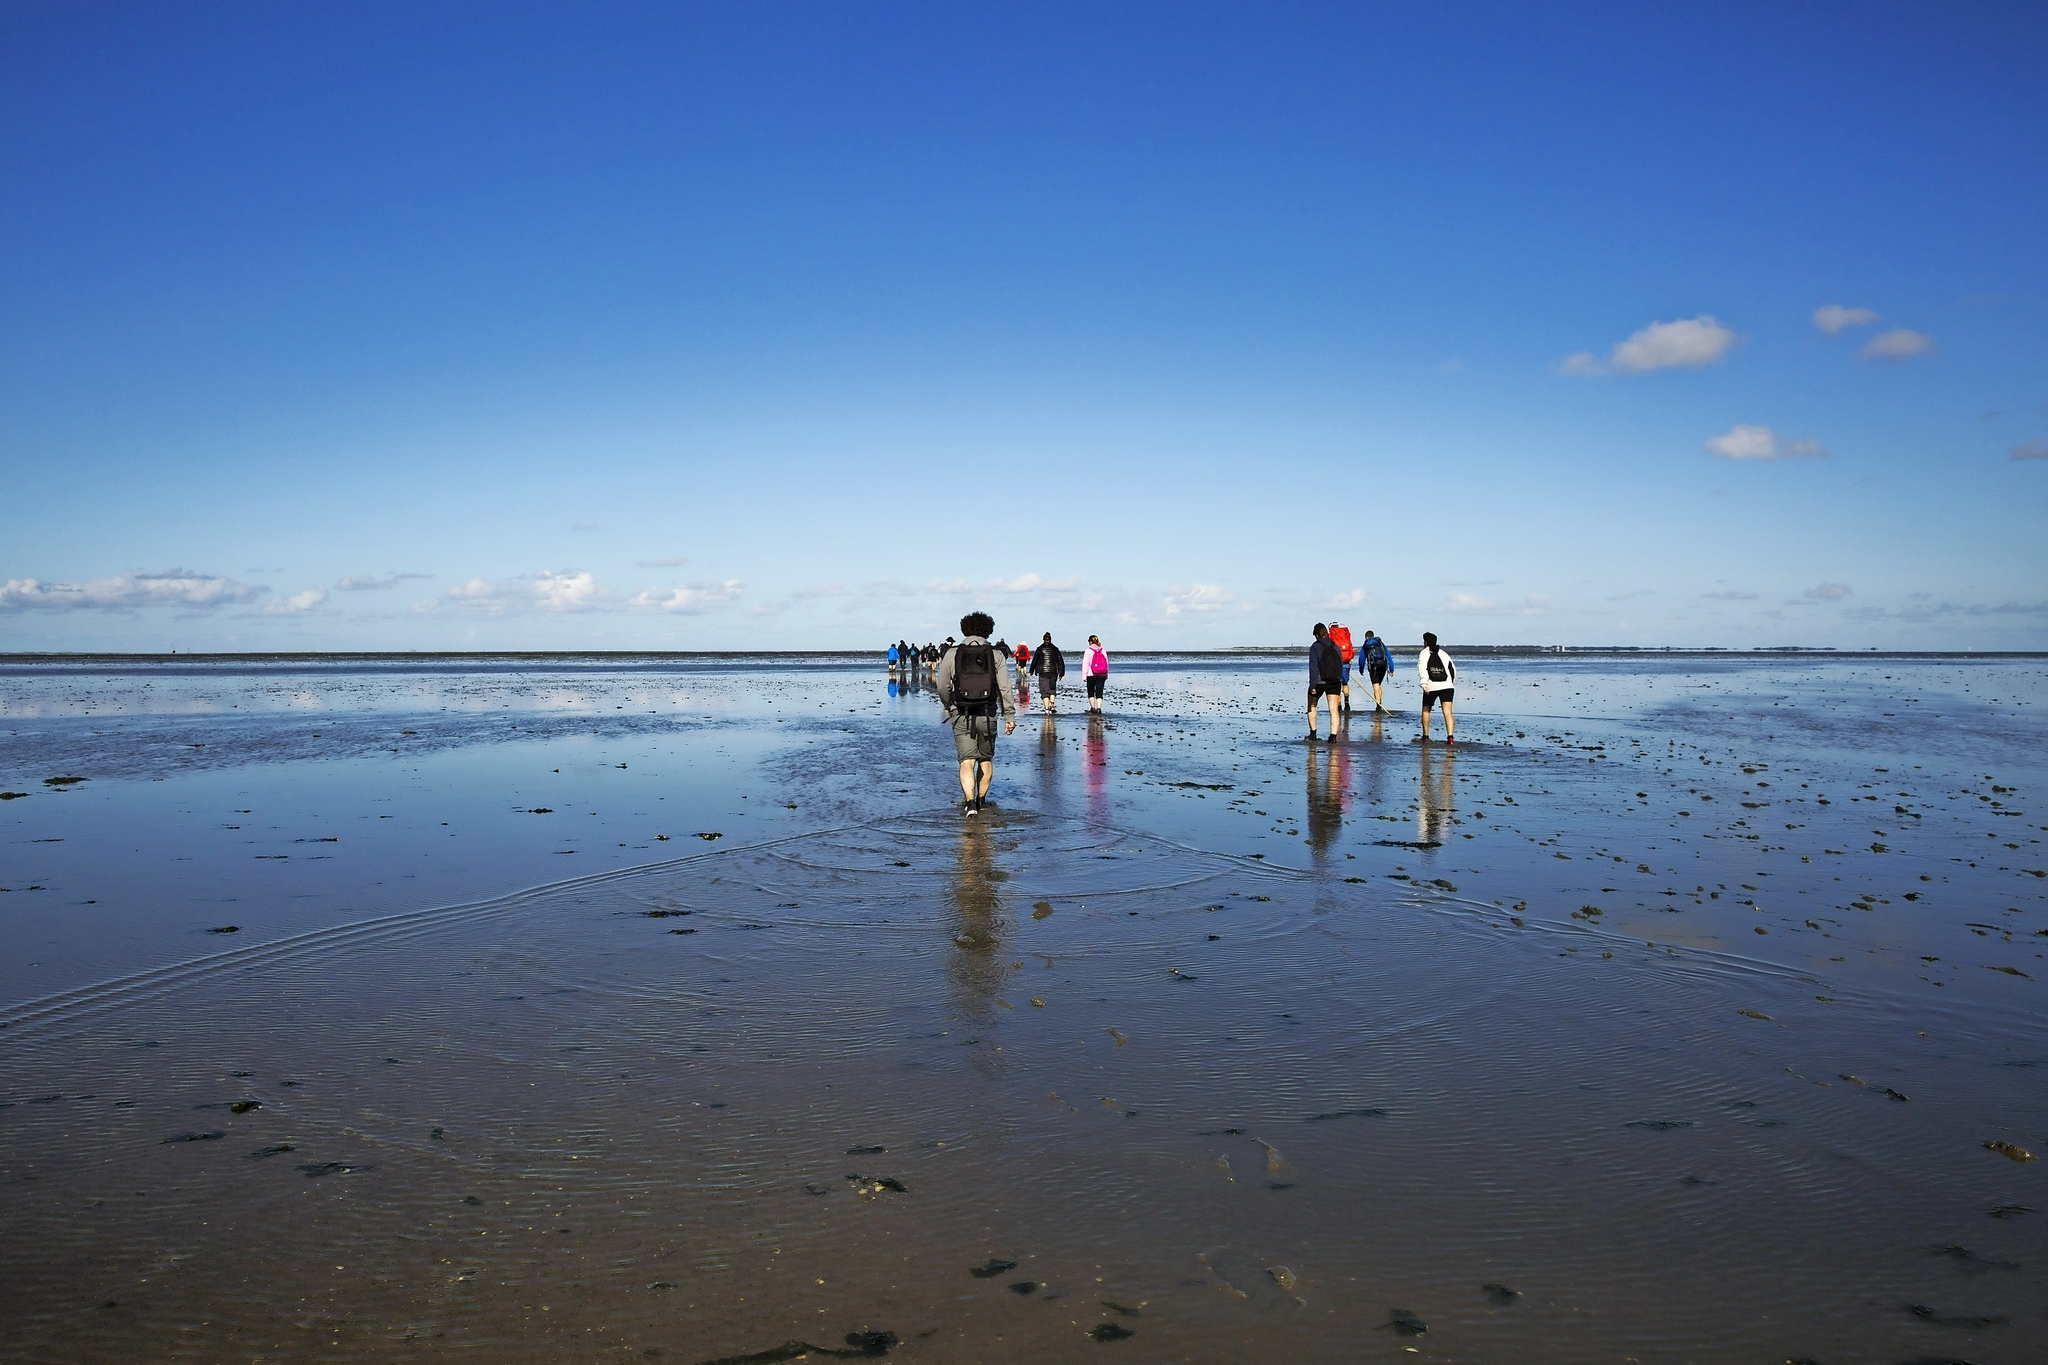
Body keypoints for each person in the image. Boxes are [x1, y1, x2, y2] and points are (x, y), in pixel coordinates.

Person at [936, 611, 1017, 814]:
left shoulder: (952, 654)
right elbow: (1005, 688)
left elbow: (942, 686)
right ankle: (982, 800)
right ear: (988, 630)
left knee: (966, 760)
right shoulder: (996, 654)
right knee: (986, 759)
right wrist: (1009, 716)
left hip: (961, 713)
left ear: (965, 629)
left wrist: (950, 707)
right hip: (988, 713)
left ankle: (970, 804)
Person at [1306, 622, 1344, 740]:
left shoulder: (1315, 646)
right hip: (1334, 682)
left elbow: (1313, 667)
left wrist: (1313, 685)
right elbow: (1341, 664)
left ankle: (1313, 734)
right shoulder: (1335, 646)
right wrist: (1340, 680)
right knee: (1334, 710)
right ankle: (1333, 737)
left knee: (1311, 706)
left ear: (1317, 635)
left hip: (1320, 682)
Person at [1417, 631, 1456, 742]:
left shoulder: (1424, 653)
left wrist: (1424, 684)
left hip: (1431, 686)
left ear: (1425, 642)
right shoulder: (1444, 653)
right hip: (1447, 686)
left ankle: (1425, 736)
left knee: (1426, 709)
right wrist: (1451, 683)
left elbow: (1423, 669)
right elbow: (1452, 669)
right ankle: (1450, 737)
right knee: (1448, 712)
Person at [1030, 632, 1066, 714]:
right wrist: (1062, 673)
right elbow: (1061, 661)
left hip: (1043, 672)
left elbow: (1034, 661)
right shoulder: (1055, 649)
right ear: (1050, 639)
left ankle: (1046, 709)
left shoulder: (1039, 649)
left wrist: (1031, 671)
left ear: (1043, 640)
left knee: (1044, 690)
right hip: (1053, 671)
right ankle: (1052, 704)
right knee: (1052, 688)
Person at [1358, 629, 1391, 712]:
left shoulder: (1366, 645)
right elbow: (1388, 655)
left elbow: (1362, 658)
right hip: (1383, 666)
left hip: (1373, 667)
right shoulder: (1380, 643)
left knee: (1375, 685)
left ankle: (1378, 705)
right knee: (1379, 684)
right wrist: (1391, 668)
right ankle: (1380, 702)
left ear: (1366, 637)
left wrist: (1361, 669)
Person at [1329, 621, 1355, 711]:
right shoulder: (1345, 636)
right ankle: (1347, 703)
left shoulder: (1331, 637)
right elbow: (1351, 650)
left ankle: (1339, 705)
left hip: (1335, 664)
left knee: (1337, 684)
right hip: (1346, 662)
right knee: (1345, 683)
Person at [1083, 634, 1109, 714]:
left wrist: (1084, 676)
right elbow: (1106, 662)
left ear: (1090, 642)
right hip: (1102, 674)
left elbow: (1085, 664)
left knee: (1091, 691)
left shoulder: (1088, 650)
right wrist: (1106, 674)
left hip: (1091, 674)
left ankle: (1093, 708)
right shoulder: (1102, 650)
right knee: (1099, 692)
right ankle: (1099, 708)